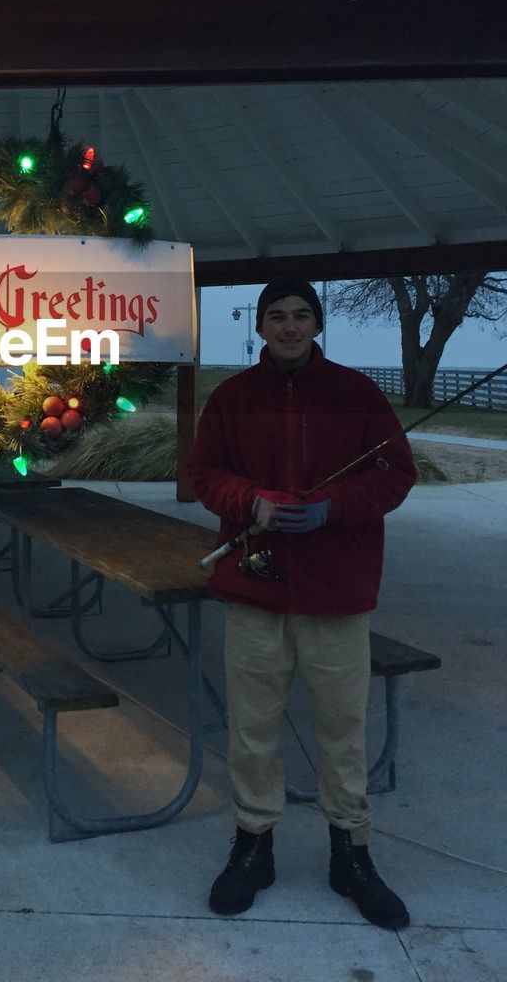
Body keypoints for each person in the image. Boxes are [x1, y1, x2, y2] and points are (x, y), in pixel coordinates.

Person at [187, 275, 417, 930]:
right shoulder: (232, 398)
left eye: (301, 315)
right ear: (260, 326)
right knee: (252, 728)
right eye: (277, 316)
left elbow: (396, 473)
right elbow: (205, 473)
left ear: (317, 324)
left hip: (338, 594)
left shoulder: (358, 394)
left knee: (343, 729)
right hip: (255, 589)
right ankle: (254, 847)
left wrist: (332, 508)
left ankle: (352, 853)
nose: (289, 326)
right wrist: (249, 502)